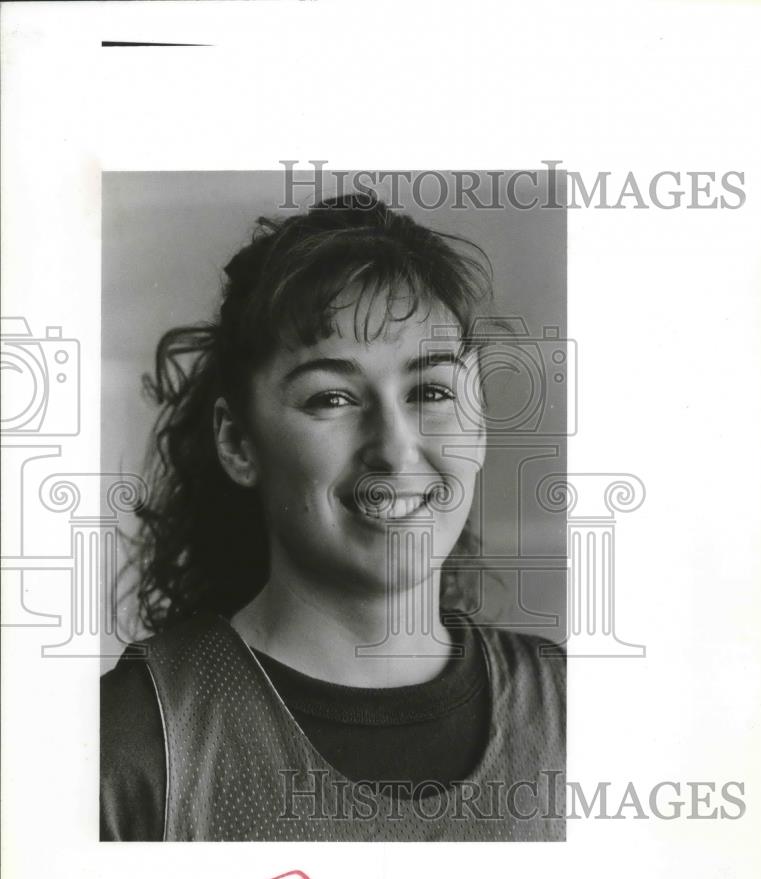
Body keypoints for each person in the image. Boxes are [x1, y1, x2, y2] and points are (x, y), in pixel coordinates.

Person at [100, 194, 565, 842]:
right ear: (238, 443)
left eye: (429, 391)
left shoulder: (574, 710)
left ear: (480, 424)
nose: (395, 448)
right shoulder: (128, 741)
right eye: (332, 398)